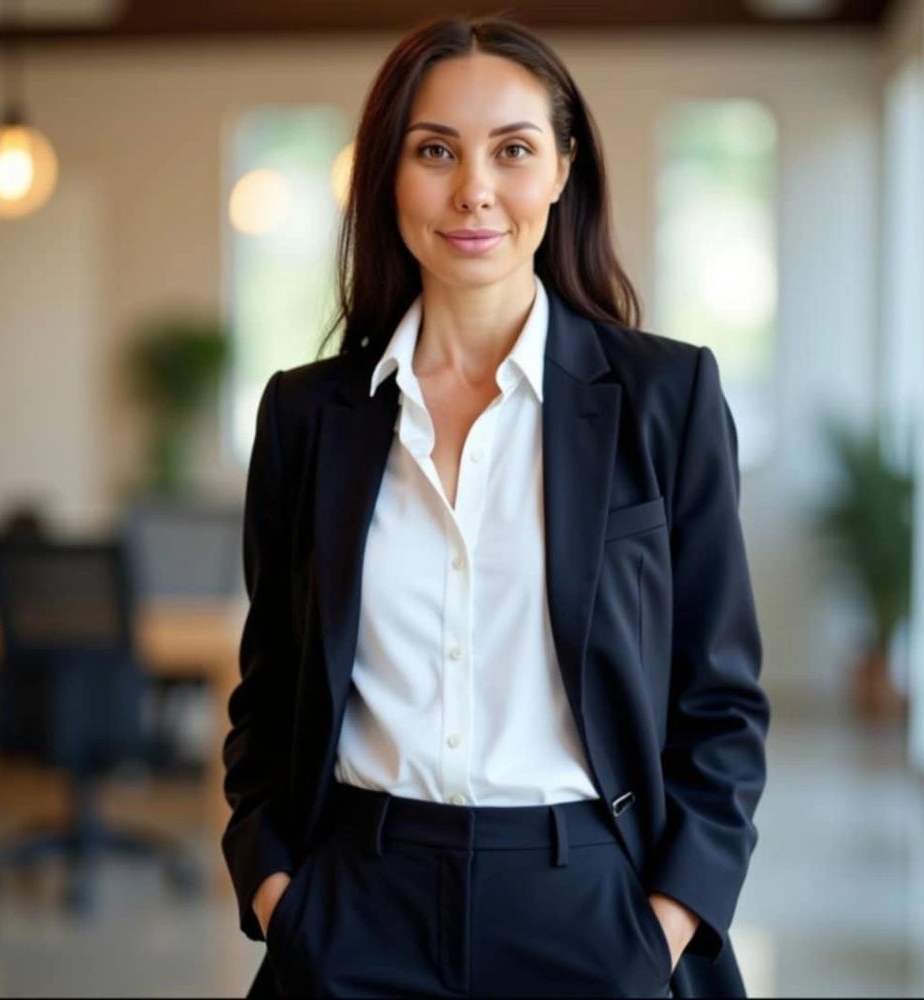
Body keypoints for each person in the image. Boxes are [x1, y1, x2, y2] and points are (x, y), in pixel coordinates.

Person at [221, 14, 770, 999]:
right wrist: (277, 893)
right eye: (434, 150)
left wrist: (664, 926)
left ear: (561, 169)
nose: (473, 188)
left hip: (589, 907)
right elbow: (269, 693)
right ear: (387, 174)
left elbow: (718, 700)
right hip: (353, 906)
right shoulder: (307, 416)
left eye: (511, 149)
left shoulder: (664, 397)